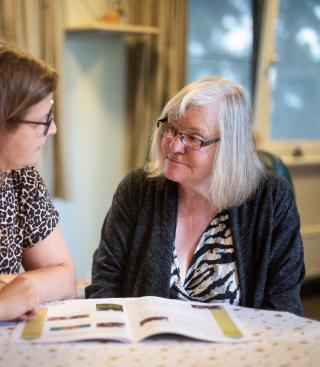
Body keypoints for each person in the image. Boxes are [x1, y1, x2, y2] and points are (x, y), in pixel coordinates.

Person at [86, 76, 305, 316]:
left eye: (193, 138)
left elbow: (282, 308)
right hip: (147, 348)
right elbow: (104, 282)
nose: (173, 146)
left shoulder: (272, 201)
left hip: (238, 348)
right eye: (170, 128)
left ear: (228, 148)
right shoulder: (137, 189)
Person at [0, 42, 76, 321]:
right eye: (43, 120)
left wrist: (16, 288)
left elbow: (65, 278)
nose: (52, 129)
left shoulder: (22, 178)